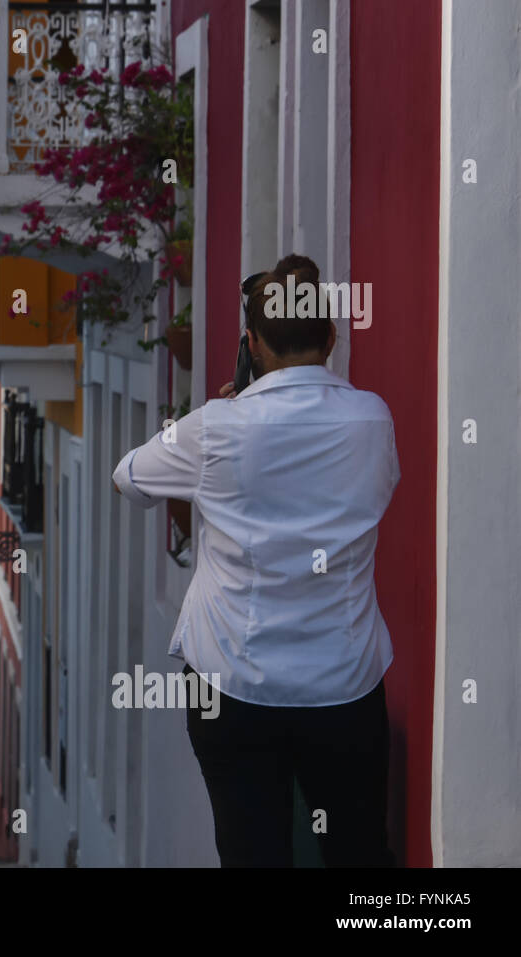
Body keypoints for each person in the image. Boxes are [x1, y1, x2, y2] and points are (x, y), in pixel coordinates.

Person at [112, 254, 400, 867]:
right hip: (344, 686)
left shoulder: (216, 429)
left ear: (252, 343)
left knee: (251, 852)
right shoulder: (373, 419)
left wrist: (227, 418)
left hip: (235, 687)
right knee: (360, 853)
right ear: (330, 336)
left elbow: (128, 478)